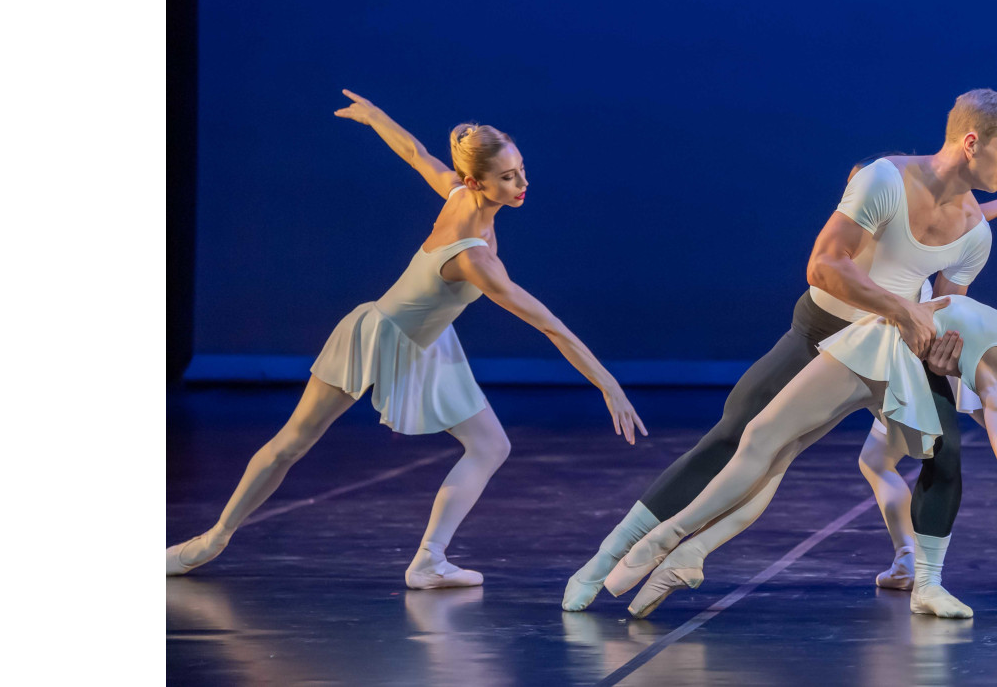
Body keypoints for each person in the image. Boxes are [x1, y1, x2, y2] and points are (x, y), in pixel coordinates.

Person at [565, 89, 997, 614]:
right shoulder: (884, 179)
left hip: (891, 353)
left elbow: (948, 311)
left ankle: (928, 584)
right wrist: (900, 308)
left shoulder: (976, 234)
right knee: (735, 441)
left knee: (944, 451)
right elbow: (823, 266)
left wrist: (944, 357)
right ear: (972, 142)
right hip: (822, 334)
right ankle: (608, 559)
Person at [166, 91, 647, 590]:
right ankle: (213, 539)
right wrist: (607, 383)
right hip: (376, 336)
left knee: (489, 446)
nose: (523, 182)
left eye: (521, 168)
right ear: (474, 182)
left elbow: (416, 152)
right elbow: (550, 325)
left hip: (427, 342)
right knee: (293, 442)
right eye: (508, 177)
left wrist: (376, 117)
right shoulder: (474, 258)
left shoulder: (461, 195)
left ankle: (428, 561)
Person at [606, 294, 997, 619]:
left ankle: (666, 544)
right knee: (773, 450)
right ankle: (683, 555)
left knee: (764, 446)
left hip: (884, 359)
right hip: (897, 363)